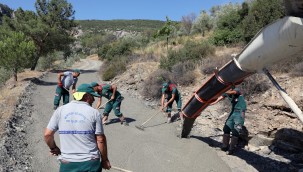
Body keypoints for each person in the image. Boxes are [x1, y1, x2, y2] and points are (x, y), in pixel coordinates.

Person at [44, 83, 111, 172]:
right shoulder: (94, 113)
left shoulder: (60, 110)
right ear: (86, 96)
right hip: (90, 163)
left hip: (68, 163)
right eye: (92, 96)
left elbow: (47, 135)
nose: (94, 99)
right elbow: (100, 139)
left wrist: (53, 148)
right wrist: (105, 160)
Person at [210, 86, 247, 155]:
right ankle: (225, 146)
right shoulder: (227, 92)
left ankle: (231, 149)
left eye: (227, 88)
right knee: (226, 128)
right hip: (233, 112)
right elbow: (222, 97)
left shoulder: (236, 89)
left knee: (236, 131)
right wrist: (214, 102)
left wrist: (223, 91)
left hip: (240, 112)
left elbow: (234, 92)